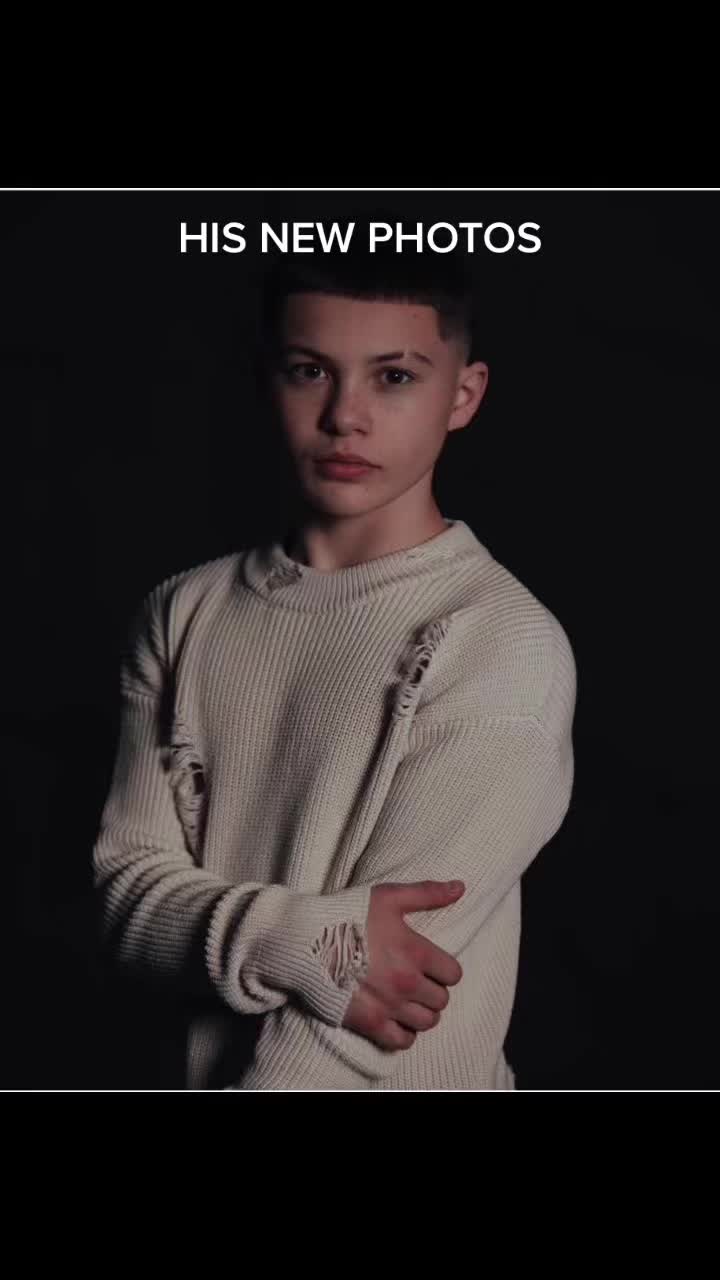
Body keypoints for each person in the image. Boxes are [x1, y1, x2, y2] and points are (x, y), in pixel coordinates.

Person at [92, 240, 577, 1090]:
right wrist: (304, 942)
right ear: (268, 378)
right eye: (311, 371)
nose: (345, 416)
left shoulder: (501, 641)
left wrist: (280, 944)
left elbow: (387, 994)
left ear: (463, 396)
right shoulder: (183, 610)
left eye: (394, 377)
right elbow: (127, 903)